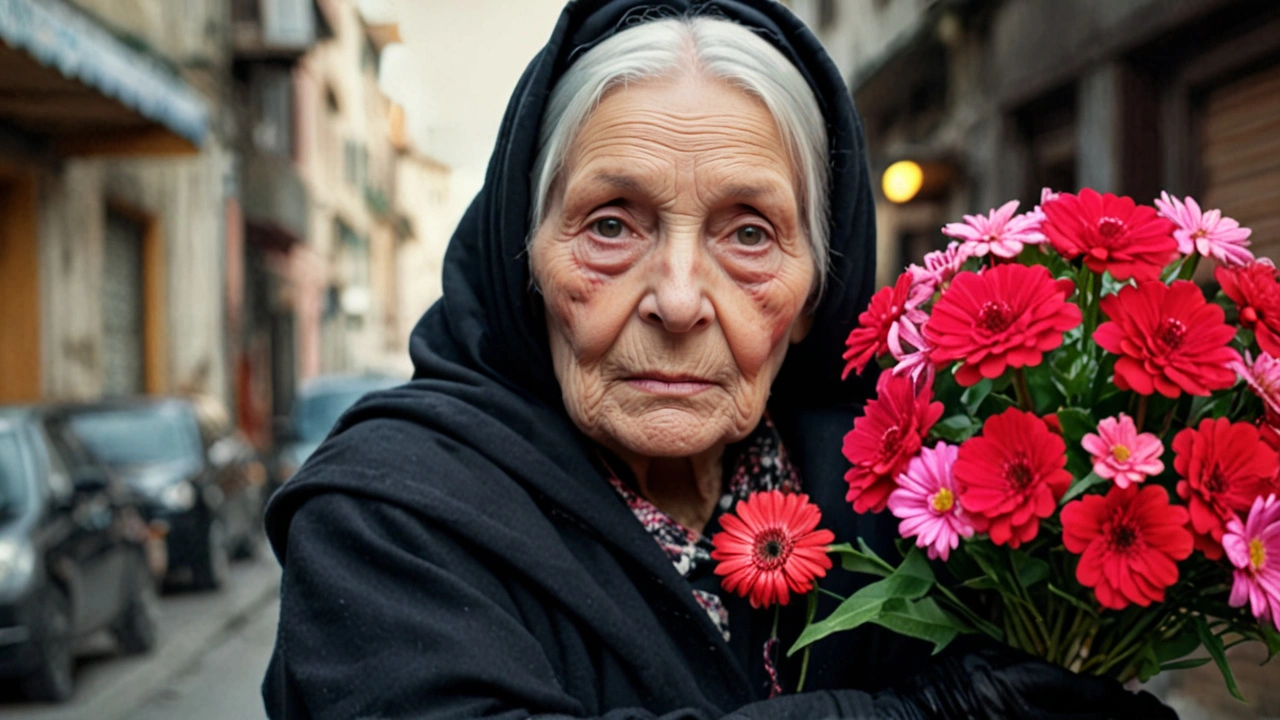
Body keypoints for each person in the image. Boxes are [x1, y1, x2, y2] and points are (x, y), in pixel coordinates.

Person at [261, 1, 1177, 718]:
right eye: (610, 225)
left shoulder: (907, 495)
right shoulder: (386, 516)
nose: (679, 299)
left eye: (750, 232)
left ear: (819, 285)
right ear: (524, 259)